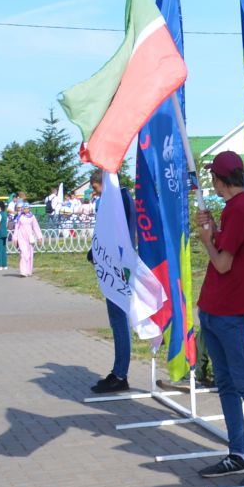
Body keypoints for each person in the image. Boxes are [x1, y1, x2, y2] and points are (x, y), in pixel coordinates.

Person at [192, 151, 244, 485]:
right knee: (228, 383)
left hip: (227, 311)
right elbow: (230, 252)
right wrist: (213, 231)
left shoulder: (241, 208)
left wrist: (205, 242)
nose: (211, 180)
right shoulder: (238, 208)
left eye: (212, 175)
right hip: (216, 309)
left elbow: (223, 263)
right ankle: (238, 452)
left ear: (220, 179)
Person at [91, 168, 140, 395]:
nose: (95, 193)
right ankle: (119, 371)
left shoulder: (120, 198)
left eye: (95, 188)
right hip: (112, 264)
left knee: (120, 320)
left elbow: (123, 233)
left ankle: (120, 374)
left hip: (119, 266)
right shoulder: (114, 198)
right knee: (117, 320)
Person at [11, 205, 43, 276]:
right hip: (21, 236)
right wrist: (15, 238)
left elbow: (36, 227)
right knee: (23, 253)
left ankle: (28, 270)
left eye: (27, 208)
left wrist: (39, 237)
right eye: (25, 209)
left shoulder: (32, 217)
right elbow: (16, 228)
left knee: (29, 254)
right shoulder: (20, 217)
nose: (26, 210)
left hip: (29, 237)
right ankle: (23, 271)